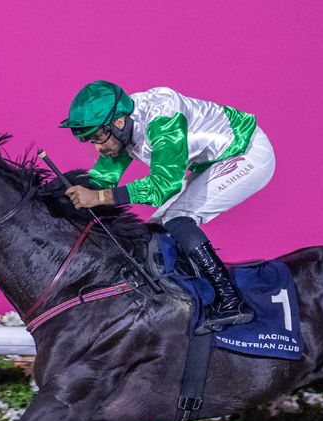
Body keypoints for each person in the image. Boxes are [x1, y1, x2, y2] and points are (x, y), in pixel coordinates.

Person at [59, 80, 275, 333]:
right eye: (90, 140)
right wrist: (56, 195)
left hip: (246, 151)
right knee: (156, 228)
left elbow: (164, 187)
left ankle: (232, 301)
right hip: (210, 163)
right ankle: (195, 295)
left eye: (97, 137)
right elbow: (103, 178)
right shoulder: (122, 124)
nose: (97, 147)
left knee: (178, 218)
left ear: (117, 122)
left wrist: (99, 198)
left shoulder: (163, 122)